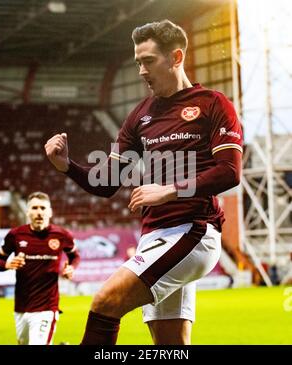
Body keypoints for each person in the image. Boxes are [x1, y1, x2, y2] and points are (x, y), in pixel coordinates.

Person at [44, 19, 243, 345]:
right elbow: (106, 183)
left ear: (176, 57)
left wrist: (170, 190)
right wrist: (67, 166)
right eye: (137, 61)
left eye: (148, 61)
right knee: (171, 346)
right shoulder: (140, 115)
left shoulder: (213, 104)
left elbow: (229, 172)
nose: (140, 70)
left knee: (105, 302)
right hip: (153, 236)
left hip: (192, 232)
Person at [0, 191, 80, 345]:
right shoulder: (15, 235)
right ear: (27, 212)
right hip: (21, 307)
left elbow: (75, 256)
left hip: (47, 307)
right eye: (34, 208)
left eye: (43, 208)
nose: (39, 212)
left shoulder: (61, 235)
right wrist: (7, 264)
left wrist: (71, 268)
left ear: (50, 212)